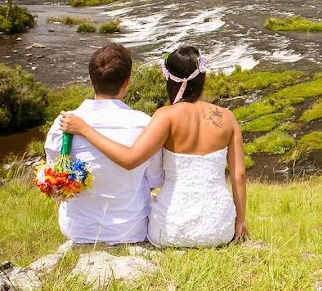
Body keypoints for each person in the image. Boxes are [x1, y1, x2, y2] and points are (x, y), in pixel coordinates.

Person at [59, 45, 248, 247]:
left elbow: (130, 159)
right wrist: (241, 220)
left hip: (172, 229)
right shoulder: (228, 118)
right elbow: (239, 175)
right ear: (204, 78)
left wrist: (85, 130)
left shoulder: (165, 116)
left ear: (169, 80)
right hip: (220, 229)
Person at [45, 43, 163, 245]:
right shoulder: (144, 124)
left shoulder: (62, 124)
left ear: (92, 79)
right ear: (127, 82)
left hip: (76, 228)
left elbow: (55, 174)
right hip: (130, 228)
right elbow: (154, 179)